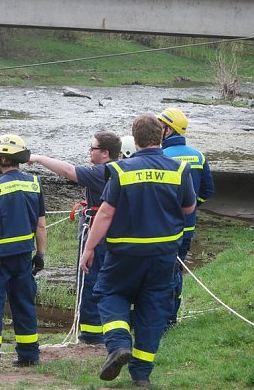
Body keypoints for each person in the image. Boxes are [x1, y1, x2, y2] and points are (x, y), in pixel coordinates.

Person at [79, 114, 196, 387]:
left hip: (124, 253)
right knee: (153, 309)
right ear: (161, 136)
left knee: (110, 293)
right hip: (163, 254)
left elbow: (106, 214)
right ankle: (141, 374)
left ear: (136, 138)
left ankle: (119, 345)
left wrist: (89, 248)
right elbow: (189, 208)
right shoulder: (179, 170)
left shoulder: (121, 170)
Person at [29, 131, 121, 345]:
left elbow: (68, 171)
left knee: (88, 280)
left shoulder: (102, 172)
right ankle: (109, 330)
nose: (89, 151)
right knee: (111, 282)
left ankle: (90, 335)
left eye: (93, 148)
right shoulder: (121, 170)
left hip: (97, 234)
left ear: (105, 153)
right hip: (117, 234)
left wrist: (38, 158)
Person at [0, 134, 47, 372]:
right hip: (24, 256)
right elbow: (41, 225)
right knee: (24, 304)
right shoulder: (34, 184)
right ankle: (28, 356)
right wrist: (41, 255)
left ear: (4, 158)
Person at [156, 107, 215, 326]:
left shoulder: (160, 156)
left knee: (162, 273)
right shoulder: (198, 155)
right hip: (187, 228)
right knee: (176, 270)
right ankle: (172, 316)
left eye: (160, 126)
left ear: (168, 130)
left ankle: (162, 318)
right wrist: (190, 208)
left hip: (163, 228)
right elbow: (208, 190)